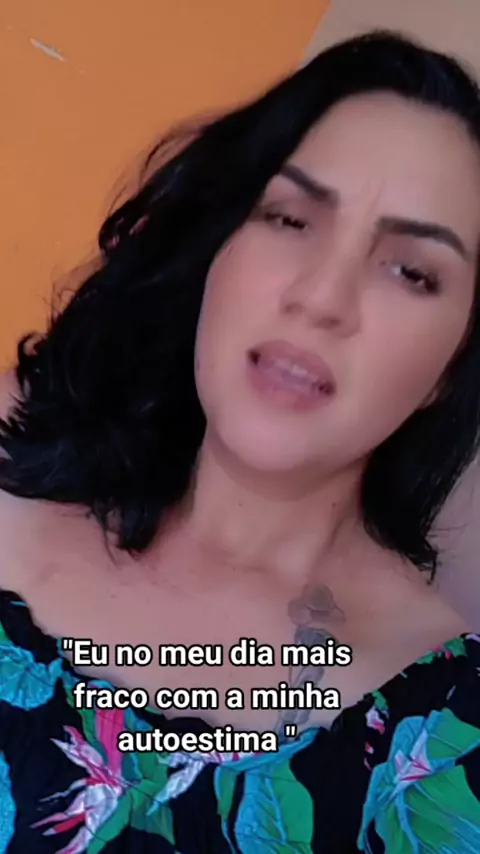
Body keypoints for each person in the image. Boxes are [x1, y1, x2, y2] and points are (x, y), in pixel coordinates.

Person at [1, 27, 480, 854]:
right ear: (217, 244)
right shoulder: (13, 443)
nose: (322, 296)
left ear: (454, 363)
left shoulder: (443, 741)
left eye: (412, 271)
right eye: (289, 218)